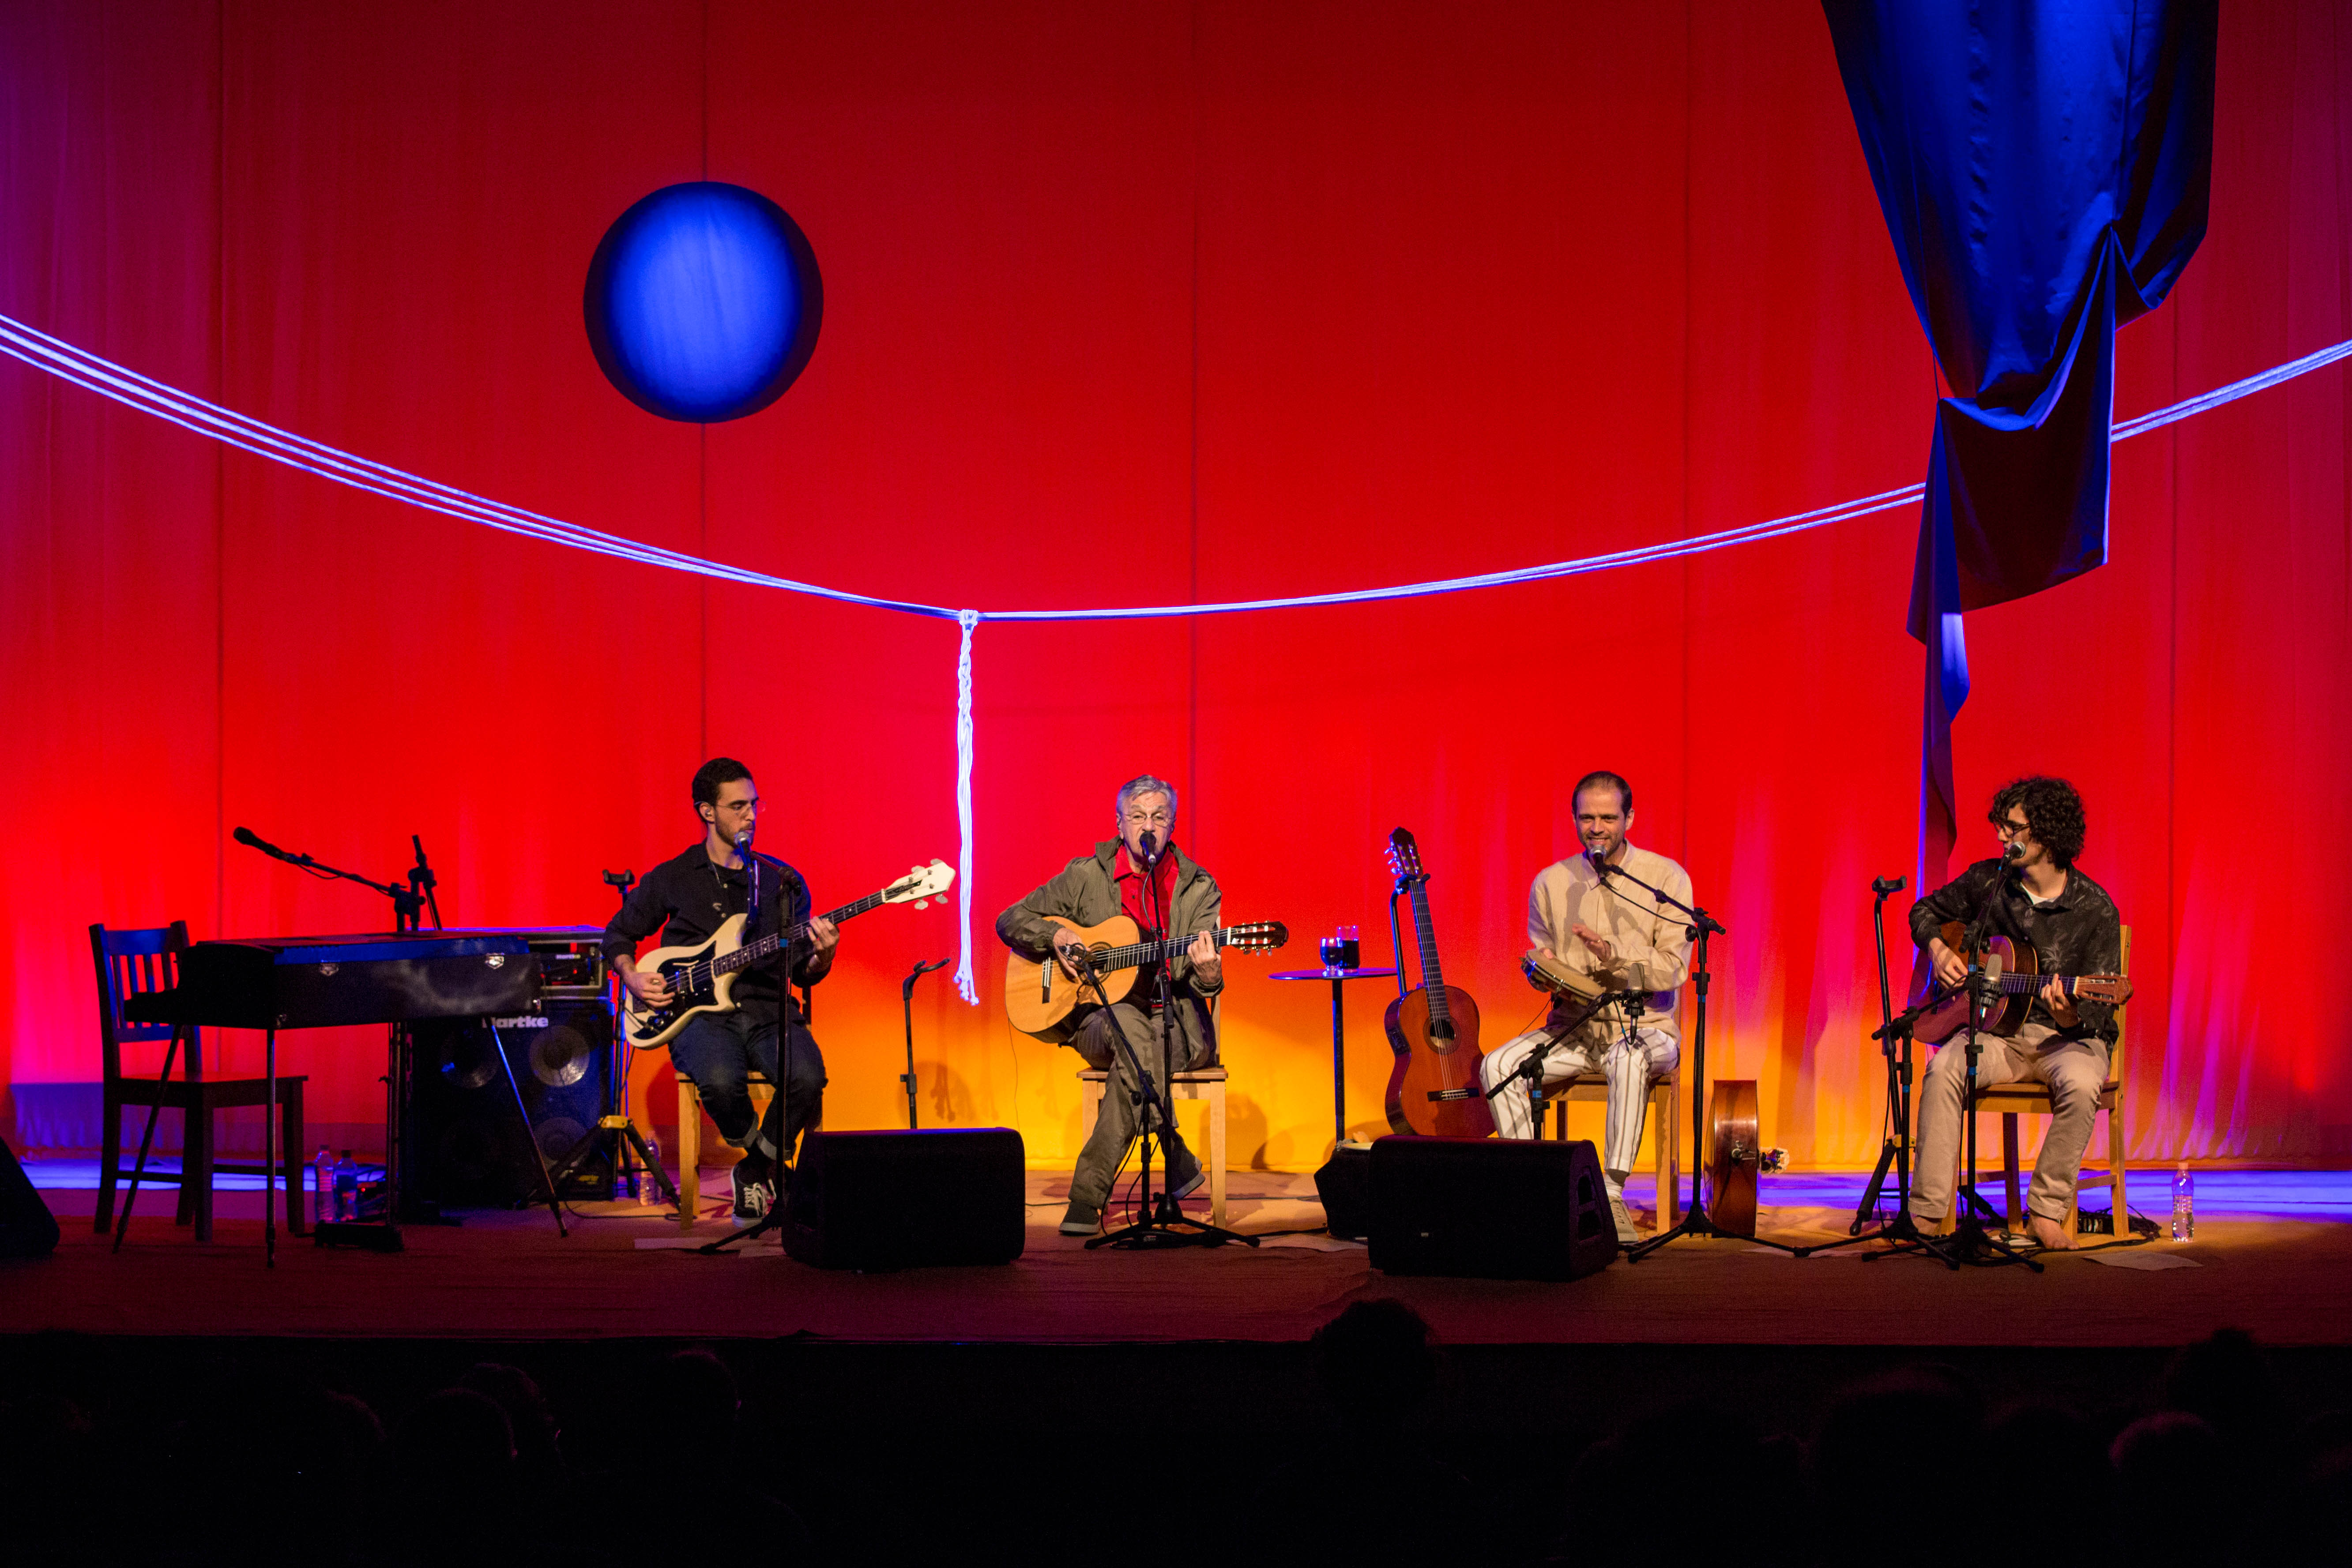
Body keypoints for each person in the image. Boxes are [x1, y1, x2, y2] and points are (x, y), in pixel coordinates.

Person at [603, 757, 836, 1221]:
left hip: (768, 1007)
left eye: (754, 804)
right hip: (701, 1015)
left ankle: (756, 1170)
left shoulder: (782, 881)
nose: (750, 815)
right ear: (707, 812)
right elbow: (617, 935)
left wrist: (823, 954)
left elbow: (800, 973)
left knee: (808, 1077)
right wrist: (631, 975)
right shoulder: (675, 875)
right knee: (720, 1082)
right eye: (737, 806)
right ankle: (773, 1170)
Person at [1908, 775, 2126, 1251]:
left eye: (2014, 828)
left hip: (2066, 1039)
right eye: (2001, 826)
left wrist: (2067, 1014)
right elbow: (1923, 910)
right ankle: (1926, 1215)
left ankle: (2046, 1212)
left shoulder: (2095, 910)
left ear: (2046, 834)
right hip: (1999, 1036)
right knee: (1945, 1066)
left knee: (2083, 1082)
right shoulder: (1990, 883)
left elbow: (2094, 1018)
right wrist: (1940, 949)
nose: (2002, 837)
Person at [997, 774, 1222, 1236]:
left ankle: (1087, 1196)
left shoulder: (1199, 887)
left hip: (1175, 1025)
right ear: (1119, 823)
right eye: (1137, 816)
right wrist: (1056, 935)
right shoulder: (1085, 876)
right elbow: (1010, 919)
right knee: (1129, 1028)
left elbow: (1201, 979)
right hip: (1097, 1018)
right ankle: (1171, 1149)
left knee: (1141, 1043)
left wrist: (1209, 975)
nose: (1148, 826)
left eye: (1159, 817)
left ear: (1172, 826)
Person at [1476, 770, 1690, 1244]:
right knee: (1499, 1066)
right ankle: (1531, 1193)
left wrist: (1611, 955)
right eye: (1587, 817)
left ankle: (1610, 1195)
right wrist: (1542, 972)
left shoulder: (1663, 878)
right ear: (1574, 819)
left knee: (1627, 1056)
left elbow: (1674, 969)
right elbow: (1548, 960)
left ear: (1629, 818)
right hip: (1574, 1029)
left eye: (1608, 817)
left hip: (1647, 1029)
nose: (1597, 827)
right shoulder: (1550, 883)